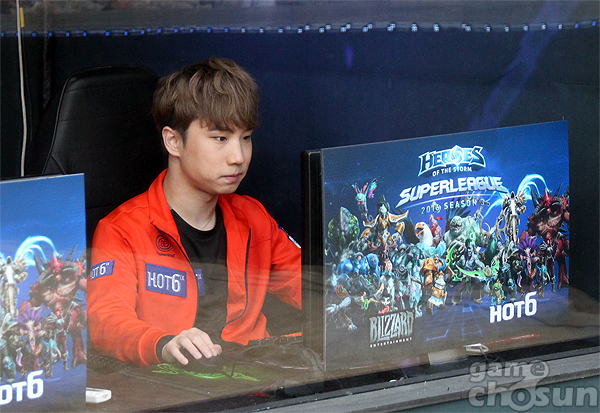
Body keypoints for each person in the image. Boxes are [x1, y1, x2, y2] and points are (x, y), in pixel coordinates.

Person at [87, 58, 302, 367]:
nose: (238, 156)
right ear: (173, 141)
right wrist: (163, 344)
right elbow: (106, 324)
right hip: (171, 384)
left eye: (246, 138)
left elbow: (318, 289)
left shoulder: (253, 217)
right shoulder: (121, 230)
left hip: (255, 380)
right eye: (220, 138)